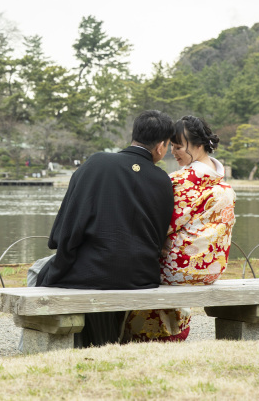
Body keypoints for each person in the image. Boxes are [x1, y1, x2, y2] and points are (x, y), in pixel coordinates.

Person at [33, 110, 176, 347]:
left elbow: (67, 228)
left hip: (91, 271)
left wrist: (62, 256)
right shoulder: (163, 180)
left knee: (37, 269)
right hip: (140, 276)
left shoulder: (98, 163)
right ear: (161, 146)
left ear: (134, 135)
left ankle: (38, 345)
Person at [124, 115, 236, 342]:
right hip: (211, 268)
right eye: (171, 146)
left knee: (139, 261)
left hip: (178, 267)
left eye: (178, 146)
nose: (173, 152)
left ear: (199, 145)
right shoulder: (220, 180)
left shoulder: (181, 181)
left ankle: (150, 333)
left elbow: (158, 225)